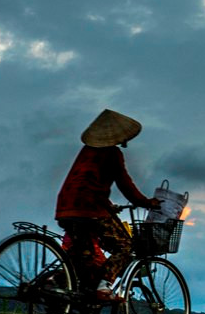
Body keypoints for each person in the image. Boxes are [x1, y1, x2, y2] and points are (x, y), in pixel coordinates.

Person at [55, 109, 159, 302]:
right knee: (125, 246)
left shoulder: (85, 152)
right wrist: (146, 202)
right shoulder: (112, 153)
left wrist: (108, 205)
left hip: (65, 206)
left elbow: (86, 184)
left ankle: (55, 282)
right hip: (89, 209)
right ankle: (104, 286)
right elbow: (125, 184)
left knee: (81, 259)